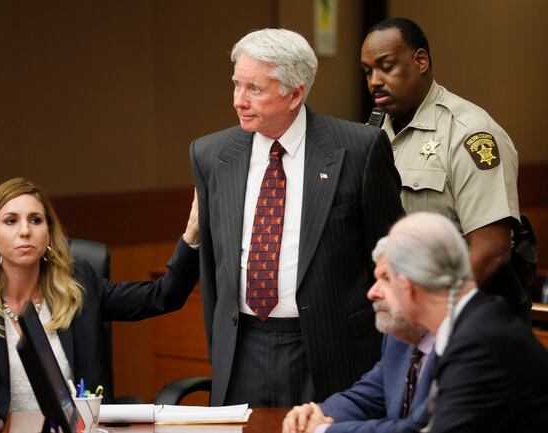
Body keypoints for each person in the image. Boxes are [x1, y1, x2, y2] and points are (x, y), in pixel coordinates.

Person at [190, 28, 403, 407]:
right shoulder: (211, 155)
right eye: (236, 84)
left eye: (254, 88)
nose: (239, 100)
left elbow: (392, 255)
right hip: (243, 348)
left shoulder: (358, 149)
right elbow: (211, 266)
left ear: (295, 93)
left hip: (334, 351)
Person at [0, 177, 200, 420]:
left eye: (35, 220)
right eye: (10, 221)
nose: (25, 231)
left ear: (48, 234)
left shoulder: (79, 288)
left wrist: (191, 238)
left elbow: (163, 296)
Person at [360, 18, 524, 314]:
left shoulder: (468, 134)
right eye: (368, 71)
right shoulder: (372, 134)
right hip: (393, 309)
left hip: (457, 316)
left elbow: (491, 251)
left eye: (386, 67)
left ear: (420, 60)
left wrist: (431, 312)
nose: (375, 81)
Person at [373, 212, 548, 432]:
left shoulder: (479, 342)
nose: (372, 292)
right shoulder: (464, 327)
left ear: (409, 286)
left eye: (385, 278)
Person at [282, 237, 435, 433]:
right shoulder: (400, 337)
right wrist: (316, 414)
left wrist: (324, 430)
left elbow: (421, 427)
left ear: (426, 282)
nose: (372, 292)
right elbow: (368, 397)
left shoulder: (466, 341)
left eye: (387, 279)